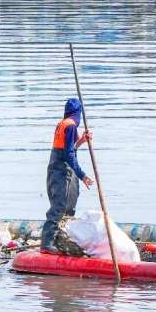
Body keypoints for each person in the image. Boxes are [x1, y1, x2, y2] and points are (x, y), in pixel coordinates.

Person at [42, 98, 94, 254]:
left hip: (62, 169)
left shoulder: (64, 124)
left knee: (70, 204)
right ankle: (47, 243)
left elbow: (70, 149)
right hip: (60, 172)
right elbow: (69, 156)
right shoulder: (70, 126)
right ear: (78, 113)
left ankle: (61, 239)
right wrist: (83, 175)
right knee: (59, 205)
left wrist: (82, 140)